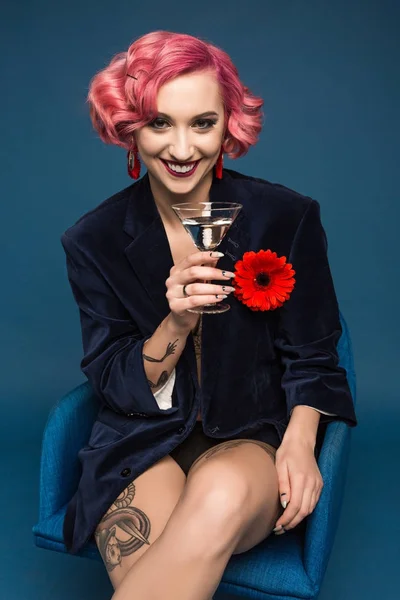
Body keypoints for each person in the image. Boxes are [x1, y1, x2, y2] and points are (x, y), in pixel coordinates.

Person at [60, 30, 358, 600]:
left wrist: (301, 440)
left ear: (228, 127)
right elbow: (110, 377)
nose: (181, 148)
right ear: (129, 131)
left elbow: (315, 353)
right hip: (139, 444)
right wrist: (175, 322)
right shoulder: (93, 241)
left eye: (202, 123)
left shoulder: (285, 218)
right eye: (159, 123)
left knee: (217, 496)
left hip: (250, 440)